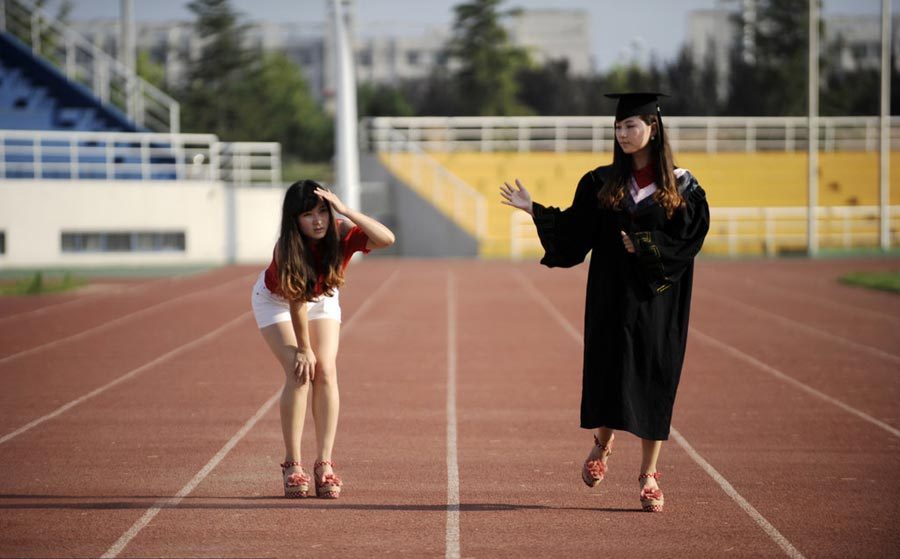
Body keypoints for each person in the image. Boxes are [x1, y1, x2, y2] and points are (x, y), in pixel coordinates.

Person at [500, 92, 710, 513]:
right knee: (609, 370)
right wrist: (534, 210)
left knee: (654, 376)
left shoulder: (682, 186)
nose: (623, 133)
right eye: (618, 127)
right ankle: (602, 443)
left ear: (653, 128)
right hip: (611, 294)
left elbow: (690, 239)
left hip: (656, 300)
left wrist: (646, 244)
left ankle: (649, 474)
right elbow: (575, 233)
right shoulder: (601, 182)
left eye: (631, 126)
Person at [250, 179, 395, 498]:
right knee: (300, 373)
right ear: (294, 219)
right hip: (277, 301)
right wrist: (303, 349)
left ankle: (324, 464)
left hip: (323, 298)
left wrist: (345, 210)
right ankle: (292, 464)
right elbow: (296, 301)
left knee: (326, 371)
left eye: (322, 212)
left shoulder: (340, 229)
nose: (317, 220)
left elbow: (386, 238)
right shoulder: (287, 247)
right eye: (308, 215)